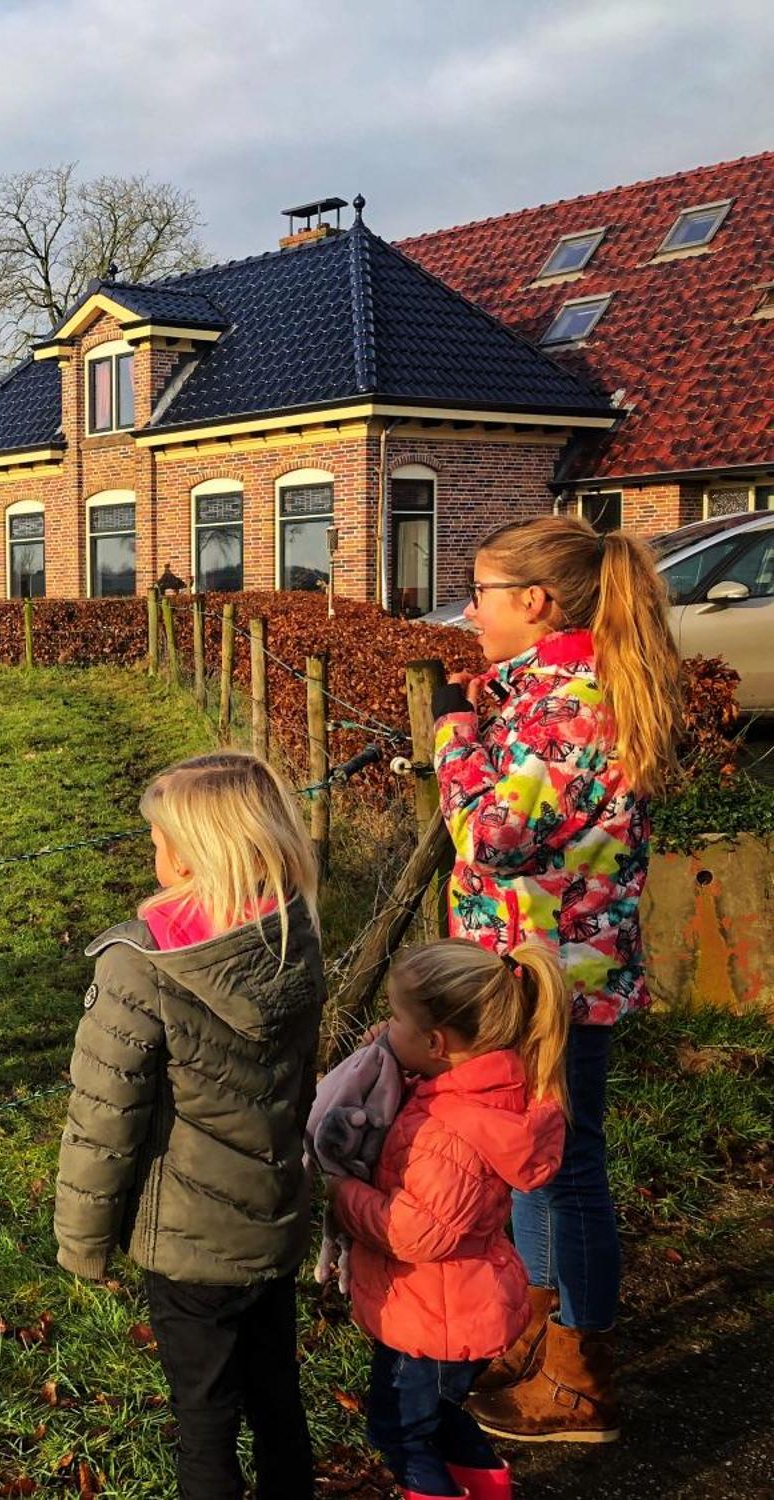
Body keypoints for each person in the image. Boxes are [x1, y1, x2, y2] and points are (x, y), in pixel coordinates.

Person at [432, 515, 681, 1444]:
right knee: (532, 1160)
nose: (471, 610)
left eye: (485, 593)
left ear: (534, 603)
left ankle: (579, 1375)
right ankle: (540, 1333)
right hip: (540, 975)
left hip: (557, 985)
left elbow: (496, 836)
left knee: (567, 1170)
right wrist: (489, 708)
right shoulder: (549, 693)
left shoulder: (572, 703)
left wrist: (456, 736)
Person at [54, 752, 323, 1500]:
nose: (151, 849)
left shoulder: (140, 964)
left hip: (187, 1244)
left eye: (160, 837)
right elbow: (298, 1082)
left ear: (195, 851)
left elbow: (104, 1117)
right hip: (271, 1221)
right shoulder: (292, 933)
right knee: (277, 1395)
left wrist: (83, 1240)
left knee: (204, 1414)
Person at [333, 939, 569, 1500]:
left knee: (400, 1432)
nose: (386, 1029)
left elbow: (417, 1232)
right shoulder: (487, 1093)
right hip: (461, 1306)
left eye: (395, 1020)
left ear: (436, 1042)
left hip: (435, 1317)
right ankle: (489, 1489)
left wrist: (343, 1194)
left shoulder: (445, 1132)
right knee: (440, 1417)